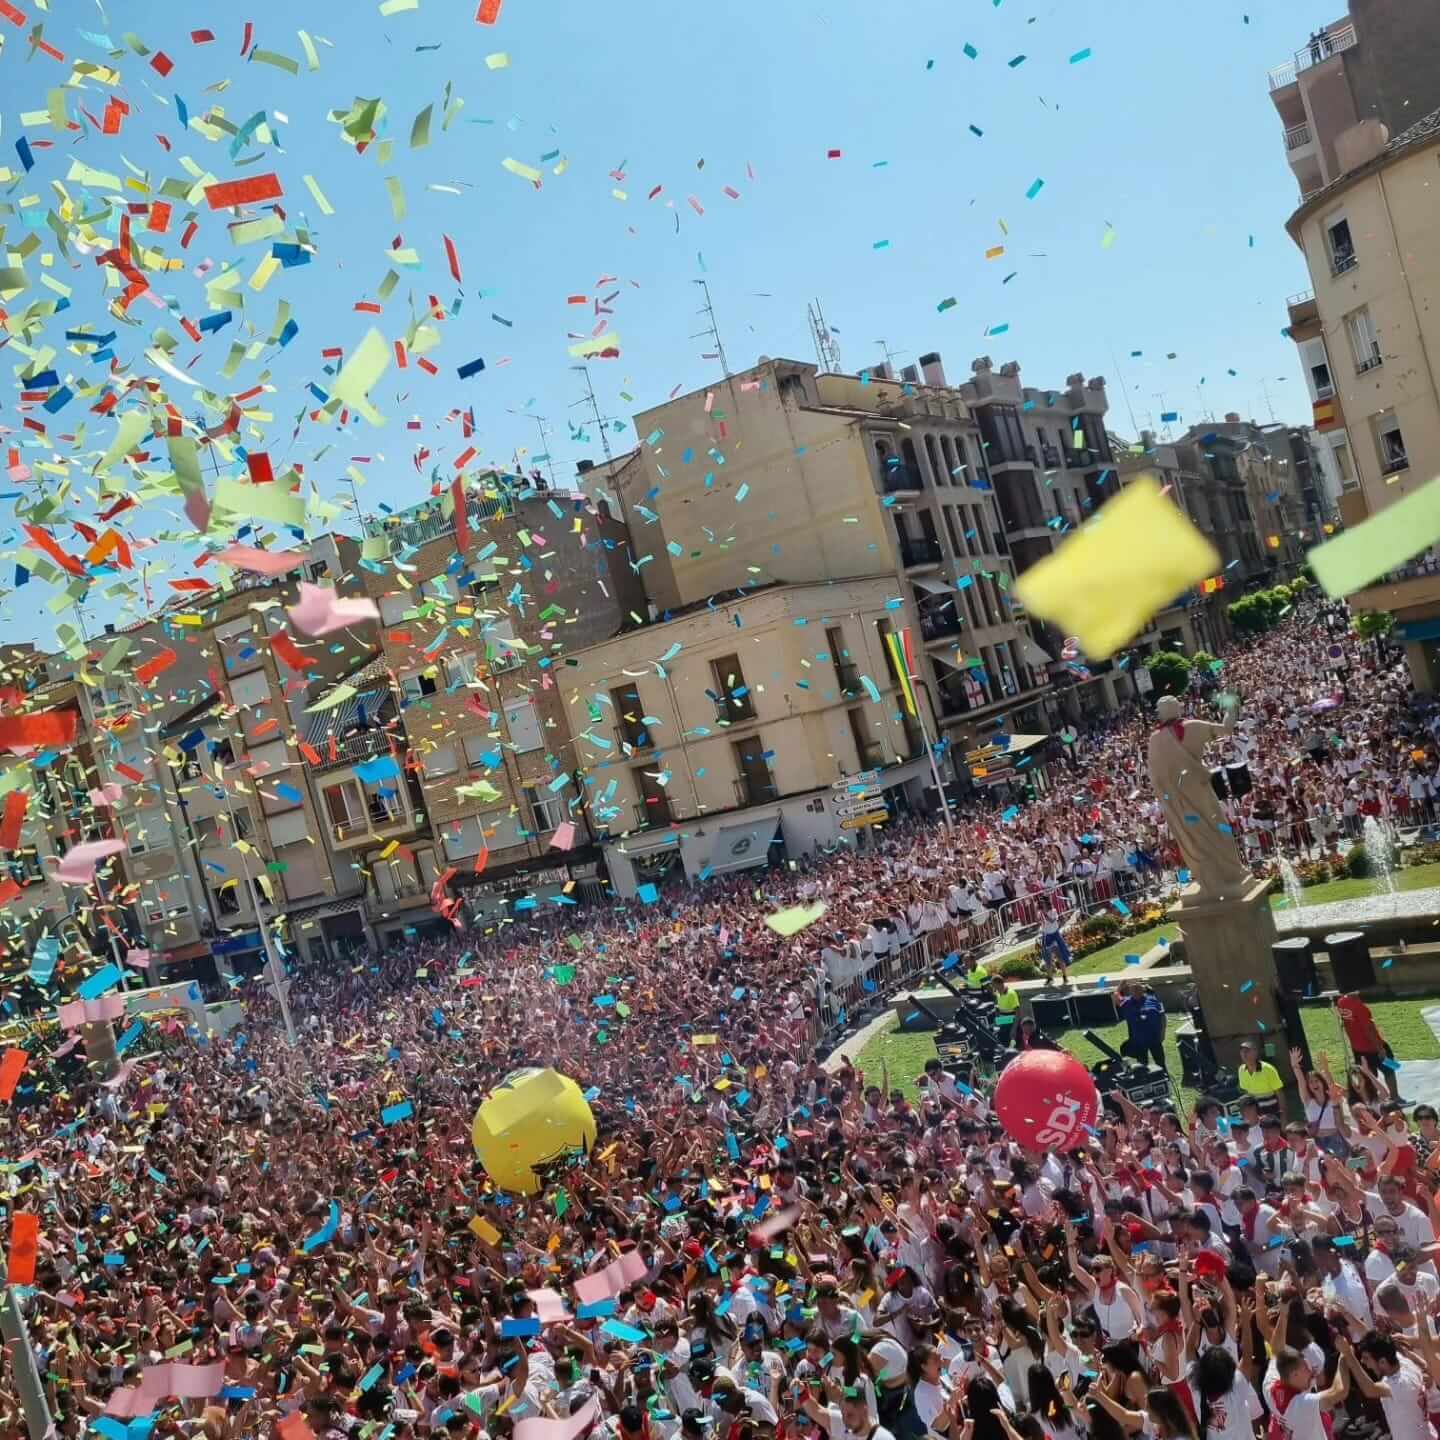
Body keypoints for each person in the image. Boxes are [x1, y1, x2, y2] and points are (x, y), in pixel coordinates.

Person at [1334, 991, 1401, 1102]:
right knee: (1390, 1069)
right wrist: (1380, 1048)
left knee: (1368, 1075)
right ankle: (1395, 1097)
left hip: (1357, 1049)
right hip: (1373, 1047)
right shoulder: (1361, 1007)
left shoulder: (1341, 1002)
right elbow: (1369, 1029)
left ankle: (1373, 1100)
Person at [1116, 980, 1166, 1071]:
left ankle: (1165, 1079)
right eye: (1132, 990)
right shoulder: (1127, 1003)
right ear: (1130, 992)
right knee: (1142, 1066)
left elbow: (1162, 1017)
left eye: (1137, 989)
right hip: (1139, 1041)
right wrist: (1120, 987)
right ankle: (1147, 1082)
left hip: (1154, 1038)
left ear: (1142, 991)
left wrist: (1163, 1034)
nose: (1135, 992)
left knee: (1161, 1063)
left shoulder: (1152, 1000)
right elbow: (1116, 998)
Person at [1235, 1040, 1285, 1115]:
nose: (1244, 1054)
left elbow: (1279, 1093)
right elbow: (1247, 1092)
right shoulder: (1241, 1070)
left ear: (1255, 1052)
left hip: (1271, 1109)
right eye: (1242, 1051)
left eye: (1247, 1051)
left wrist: (1283, 1115)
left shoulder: (1268, 1069)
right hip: (1255, 1110)